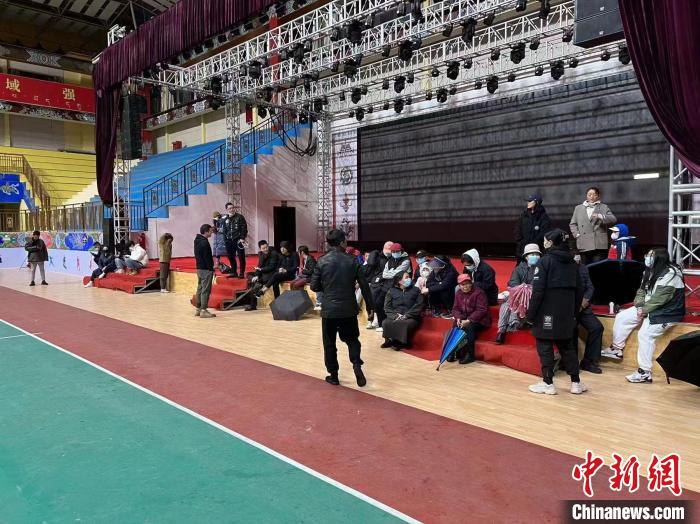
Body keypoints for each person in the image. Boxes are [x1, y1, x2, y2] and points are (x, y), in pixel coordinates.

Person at [601, 248, 685, 383]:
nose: (647, 257)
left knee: (645, 334)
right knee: (622, 317)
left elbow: (660, 299)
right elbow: (641, 291)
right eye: (647, 254)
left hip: (667, 312)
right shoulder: (649, 271)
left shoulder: (671, 274)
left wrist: (644, 310)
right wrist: (640, 306)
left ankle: (645, 372)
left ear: (659, 258)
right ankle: (616, 349)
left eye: (651, 255)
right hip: (648, 308)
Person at [525, 229, 587, 395]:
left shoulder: (545, 261)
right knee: (567, 346)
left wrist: (530, 316)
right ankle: (575, 383)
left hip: (546, 312)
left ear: (551, 242)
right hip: (567, 313)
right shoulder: (573, 263)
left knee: (544, 345)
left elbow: (538, 291)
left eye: (546, 240)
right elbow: (580, 290)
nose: (544, 243)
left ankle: (548, 383)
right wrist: (574, 313)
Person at [311, 229, 374, 387]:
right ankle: (356, 365)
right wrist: (370, 308)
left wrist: (327, 287)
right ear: (342, 242)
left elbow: (314, 286)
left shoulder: (322, 261)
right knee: (352, 339)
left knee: (329, 344)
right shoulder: (353, 260)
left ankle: (334, 376)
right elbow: (365, 286)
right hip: (348, 308)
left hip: (329, 310)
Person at [495, 243, 540, 344]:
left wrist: (525, 289)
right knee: (507, 303)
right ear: (526, 257)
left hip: (534, 297)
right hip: (518, 295)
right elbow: (513, 283)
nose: (535, 256)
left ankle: (511, 323)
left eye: (536, 254)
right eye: (532, 254)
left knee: (513, 300)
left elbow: (538, 285)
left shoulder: (541, 268)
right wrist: (521, 289)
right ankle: (501, 331)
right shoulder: (519, 269)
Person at [449, 273, 491, 364]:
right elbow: (455, 309)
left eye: (467, 283)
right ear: (459, 286)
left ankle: (470, 355)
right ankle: (452, 351)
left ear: (471, 283)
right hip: (464, 318)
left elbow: (481, 310)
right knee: (455, 325)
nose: (465, 286)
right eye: (462, 285)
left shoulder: (479, 293)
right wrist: (458, 318)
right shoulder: (458, 293)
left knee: (469, 327)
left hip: (481, 320)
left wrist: (469, 320)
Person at [574, 251, 604, 374]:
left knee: (597, 328)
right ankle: (569, 362)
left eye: (578, 258)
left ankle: (589, 362)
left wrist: (585, 300)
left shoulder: (583, 268)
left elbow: (590, 287)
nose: (577, 260)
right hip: (569, 307)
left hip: (583, 306)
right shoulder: (562, 268)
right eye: (575, 258)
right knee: (571, 330)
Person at [569, 186, 617, 264]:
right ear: (586, 195)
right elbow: (573, 223)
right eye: (589, 194)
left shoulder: (603, 207)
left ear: (598, 196)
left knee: (597, 268)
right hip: (583, 242)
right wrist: (576, 234)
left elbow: (613, 219)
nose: (591, 196)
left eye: (594, 194)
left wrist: (600, 216)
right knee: (586, 268)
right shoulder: (578, 208)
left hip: (598, 243)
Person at [381, 271, 424, 350]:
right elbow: (387, 307)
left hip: (411, 316)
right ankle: (389, 340)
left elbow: (419, 305)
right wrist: (395, 316)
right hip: (396, 315)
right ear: (399, 280)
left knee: (404, 323)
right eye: (406, 277)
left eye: (409, 277)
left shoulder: (416, 290)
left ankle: (402, 343)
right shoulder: (391, 291)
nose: (409, 279)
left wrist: (407, 315)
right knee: (386, 322)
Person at [374, 243, 411, 332]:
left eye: (396, 251)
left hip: (399, 286)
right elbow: (384, 274)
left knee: (391, 306)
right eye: (393, 251)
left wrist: (391, 272)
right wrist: (392, 272)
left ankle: (390, 326)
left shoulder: (406, 260)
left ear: (401, 251)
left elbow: (397, 274)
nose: (394, 253)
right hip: (387, 285)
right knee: (378, 304)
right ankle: (381, 324)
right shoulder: (390, 259)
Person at [244, 240, 281, 311]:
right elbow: (259, 266)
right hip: (263, 273)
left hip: (271, 273)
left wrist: (261, 269)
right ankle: (253, 304)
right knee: (249, 275)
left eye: (266, 247)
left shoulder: (274, 254)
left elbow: (272, 267)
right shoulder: (261, 254)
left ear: (268, 245)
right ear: (260, 249)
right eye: (263, 248)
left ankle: (258, 283)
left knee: (256, 284)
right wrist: (257, 275)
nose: (265, 249)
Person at [367, 241, 394, 329]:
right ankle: (371, 319)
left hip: (387, 282)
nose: (389, 252)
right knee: (372, 301)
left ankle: (380, 322)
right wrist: (373, 254)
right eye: (388, 250)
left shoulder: (393, 258)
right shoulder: (377, 256)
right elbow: (370, 264)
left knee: (381, 303)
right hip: (376, 282)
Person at [194, 224, 216, 318]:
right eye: (210, 231)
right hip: (206, 269)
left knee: (200, 288)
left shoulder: (197, 240)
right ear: (206, 231)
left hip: (199, 268)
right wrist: (212, 268)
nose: (211, 233)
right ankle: (203, 310)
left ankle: (198, 309)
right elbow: (207, 258)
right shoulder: (205, 243)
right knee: (206, 290)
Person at [221, 202, 248, 278]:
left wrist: (242, 238)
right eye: (230, 208)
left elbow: (244, 228)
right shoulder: (225, 219)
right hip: (229, 241)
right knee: (231, 257)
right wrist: (225, 241)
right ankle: (234, 272)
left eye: (232, 208)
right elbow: (224, 231)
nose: (232, 209)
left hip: (238, 240)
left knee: (241, 257)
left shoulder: (240, 217)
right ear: (227, 209)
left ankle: (241, 273)